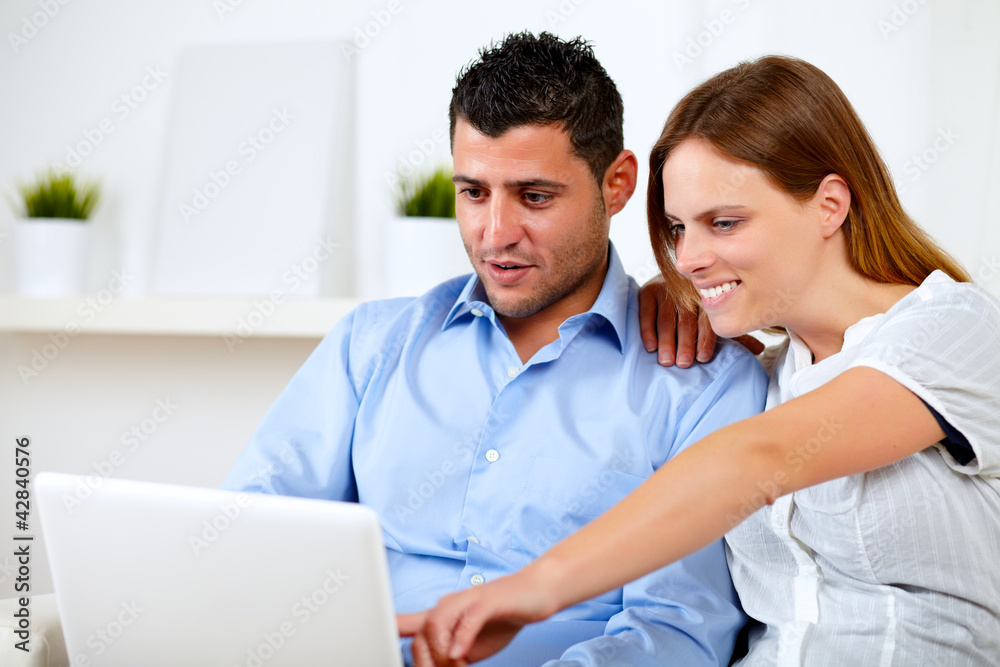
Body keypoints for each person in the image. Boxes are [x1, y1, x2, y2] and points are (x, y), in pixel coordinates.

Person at [401, 55, 1000, 666]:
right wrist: (674, 300)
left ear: (829, 205)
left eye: (724, 222)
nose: (686, 258)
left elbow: (754, 459)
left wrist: (531, 591)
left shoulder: (954, 331)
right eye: (679, 228)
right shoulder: (762, 376)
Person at [222, 32, 767, 666]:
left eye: (535, 196)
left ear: (616, 184)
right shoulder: (369, 348)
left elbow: (674, 632)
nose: (496, 234)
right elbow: (250, 543)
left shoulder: (702, 384)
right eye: (473, 193)